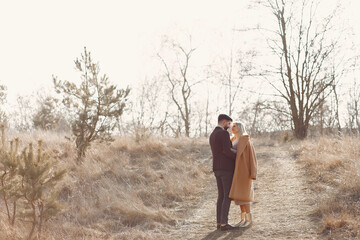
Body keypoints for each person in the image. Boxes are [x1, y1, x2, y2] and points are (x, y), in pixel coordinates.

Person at [209, 114, 239, 231]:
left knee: (221, 196)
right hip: (226, 168)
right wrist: (237, 156)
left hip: (216, 168)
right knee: (227, 195)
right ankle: (224, 224)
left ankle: (219, 223)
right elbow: (226, 151)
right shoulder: (224, 133)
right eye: (228, 123)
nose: (229, 126)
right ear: (223, 122)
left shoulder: (212, 135)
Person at [229, 122, 257, 227]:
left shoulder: (245, 140)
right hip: (235, 171)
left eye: (235, 126)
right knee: (239, 196)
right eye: (232, 126)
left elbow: (252, 156)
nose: (232, 127)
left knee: (245, 195)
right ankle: (243, 218)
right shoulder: (232, 140)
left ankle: (249, 220)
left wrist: (253, 172)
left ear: (240, 128)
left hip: (244, 171)